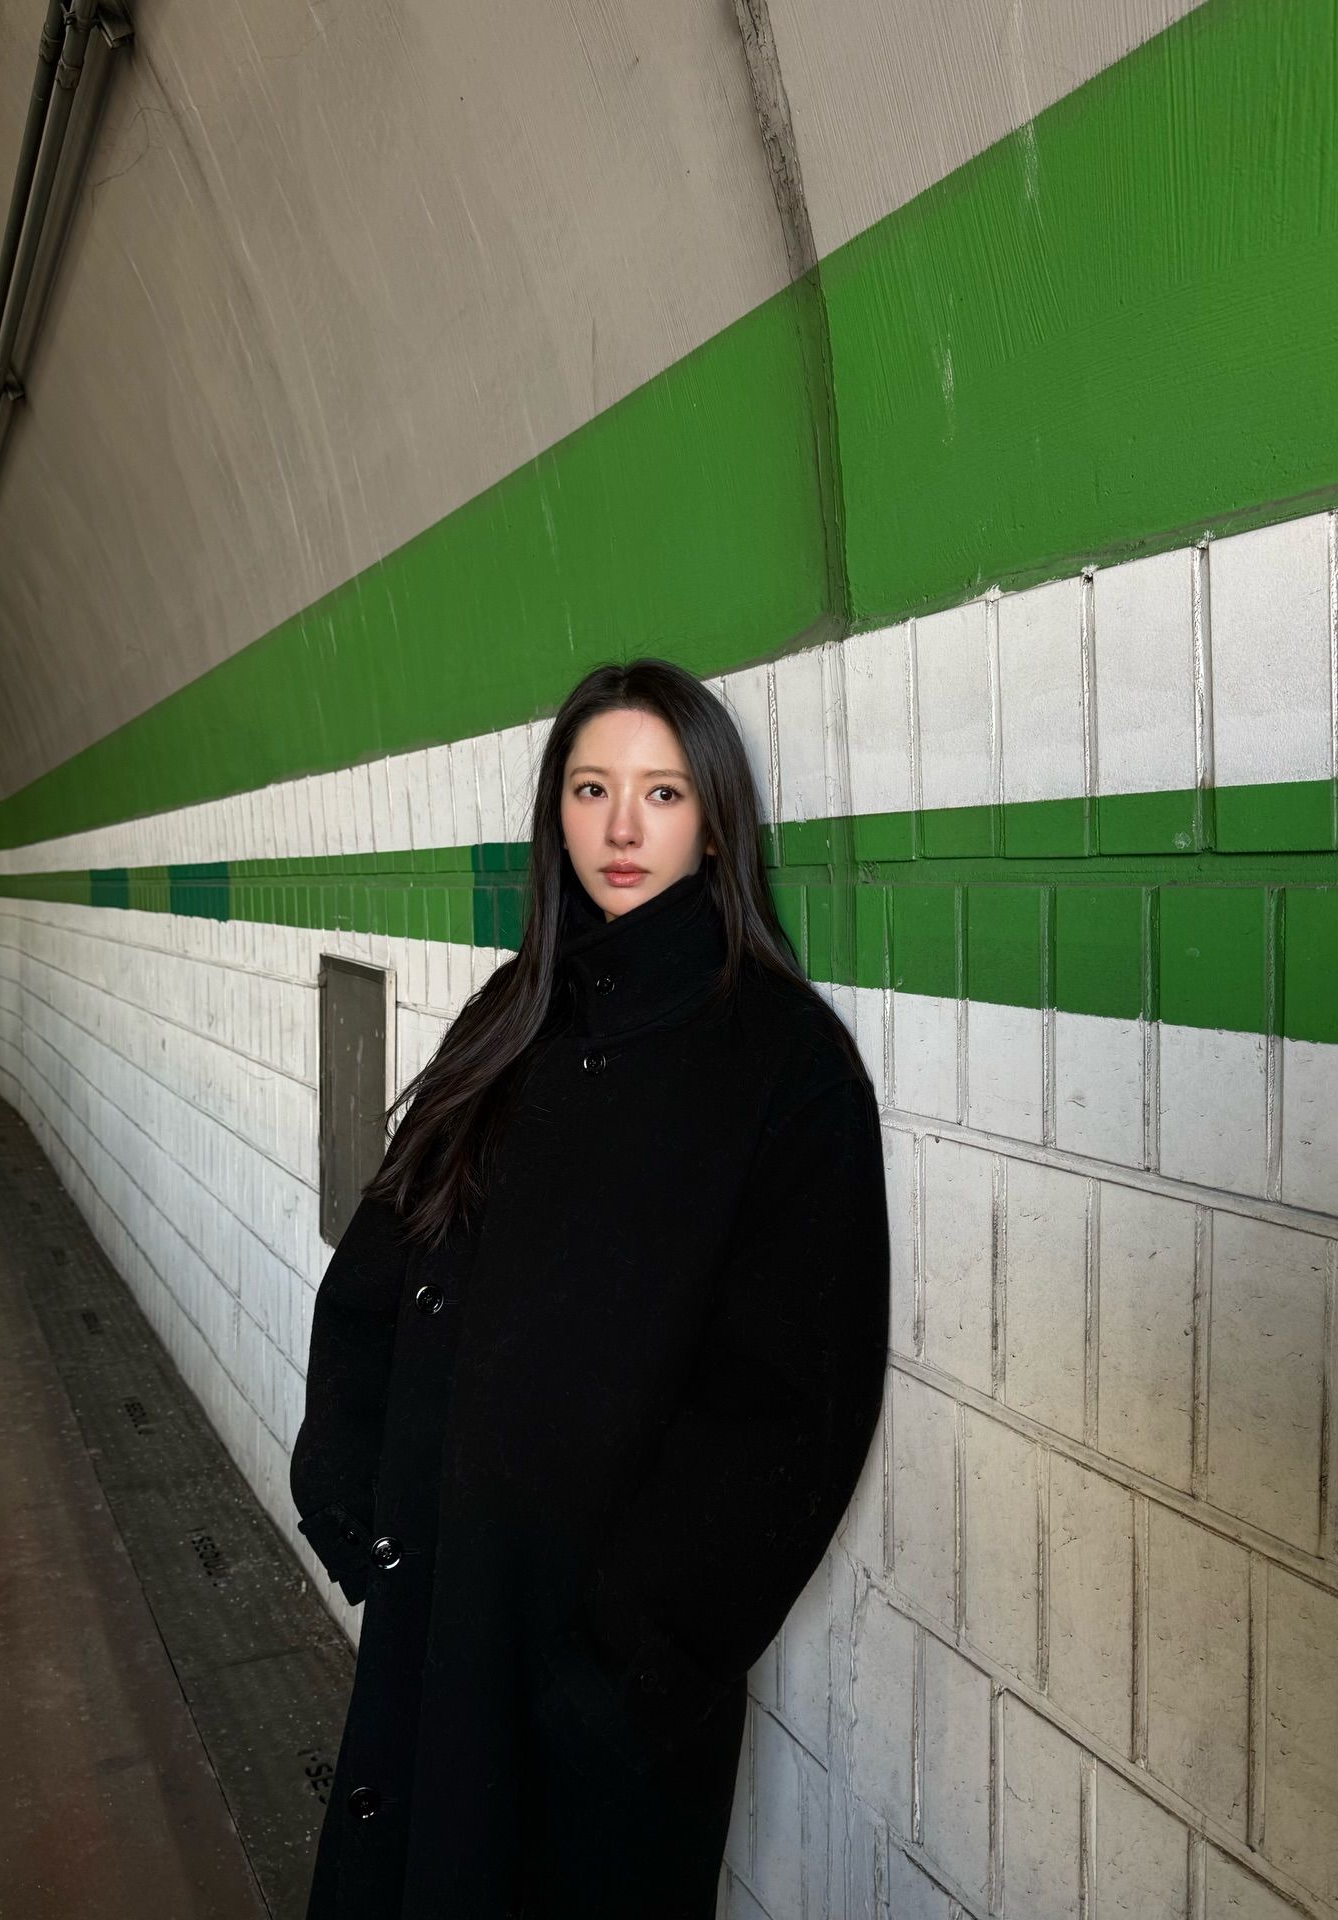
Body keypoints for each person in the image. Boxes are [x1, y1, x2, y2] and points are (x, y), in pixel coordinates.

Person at [290, 658, 889, 1919]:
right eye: (590, 789)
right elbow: (389, 1253)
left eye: (662, 792)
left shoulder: (785, 1063)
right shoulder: (512, 1013)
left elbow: (793, 1414)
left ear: (714, 822)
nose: (622, 827)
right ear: (555, 814)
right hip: (443, 1614)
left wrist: (620, 1672)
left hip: (592, 1685)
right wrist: (349, 1473)